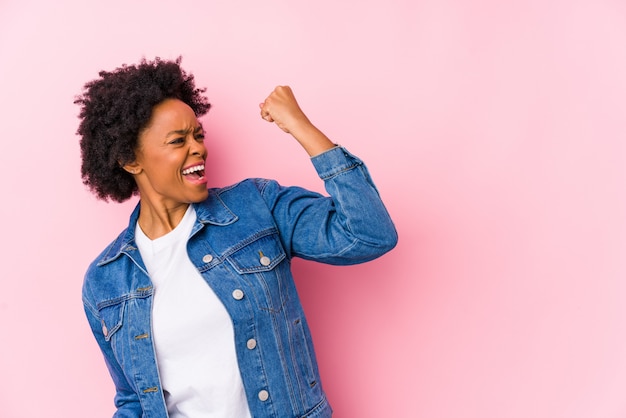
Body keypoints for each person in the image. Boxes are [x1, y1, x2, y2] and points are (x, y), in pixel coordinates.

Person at [77, 57, 397, 418]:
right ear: (130, 160)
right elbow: (134, 400)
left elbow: (370, 234)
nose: (197, 148)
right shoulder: (105, 281)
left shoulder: (256, 207)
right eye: (178, 140)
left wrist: (300, 126)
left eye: (198, 135)